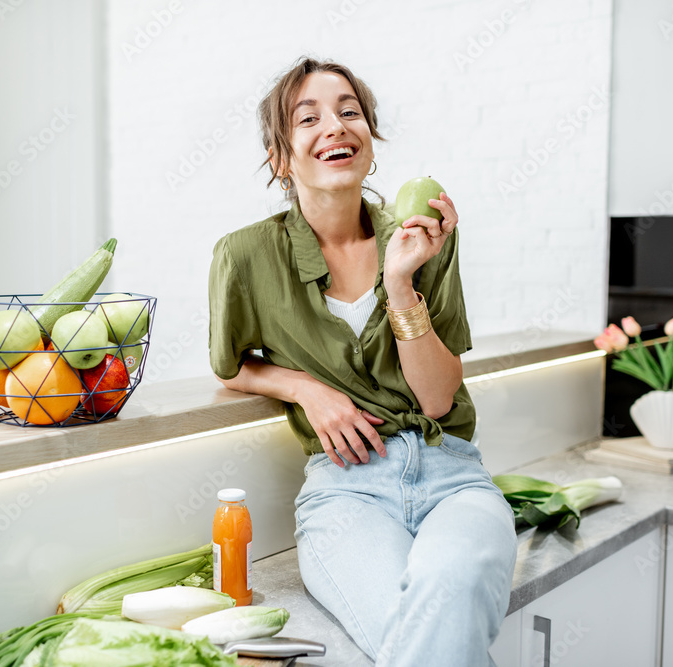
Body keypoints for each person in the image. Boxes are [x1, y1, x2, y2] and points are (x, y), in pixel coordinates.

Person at [207, 56, 518, 666]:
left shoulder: (422, 237)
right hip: (346, 491)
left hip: (453, 478)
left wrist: (401, 285)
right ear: (281, 155)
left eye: (351, 112)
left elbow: (435, 399)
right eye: (309, 117)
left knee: (450, 586)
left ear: (370, 141)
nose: (336, 126)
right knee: (427, 629)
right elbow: (231, 365)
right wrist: (306, 388)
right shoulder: (243, 255)